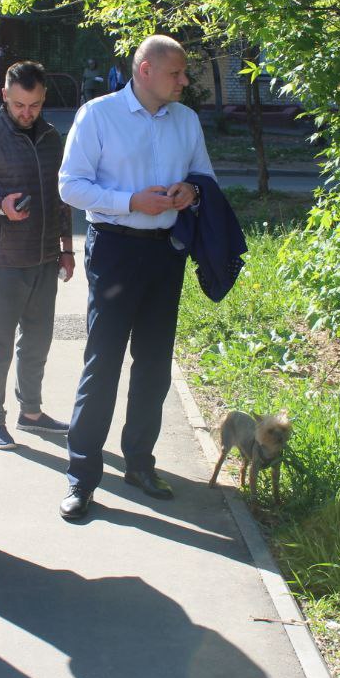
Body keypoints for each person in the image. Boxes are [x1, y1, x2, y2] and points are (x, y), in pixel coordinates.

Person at [57, 35, 214, 520]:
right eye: (176, 73)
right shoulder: (98, 115)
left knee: (153, 365)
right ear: (144, 70)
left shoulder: (185, 120)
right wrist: (130, 201)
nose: (185, 81)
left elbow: (204, 177)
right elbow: (70, 185)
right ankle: (81, 477)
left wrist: (189, 191)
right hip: (116, 251)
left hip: (166, 254)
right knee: (102, 363)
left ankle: (140, 463)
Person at [0, 61, 75, 449]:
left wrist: (67, 249)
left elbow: (62, 199)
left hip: (44, 258)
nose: (27, 113)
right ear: (5, 96)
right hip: (4, 262)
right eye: (20, 104)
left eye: (35, 105)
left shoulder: (52, 137)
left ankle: (32, 413)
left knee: (37, 343)